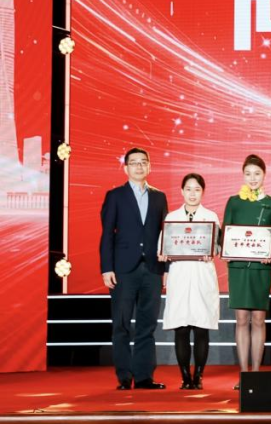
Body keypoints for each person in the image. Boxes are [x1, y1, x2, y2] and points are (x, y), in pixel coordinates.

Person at [99, 147, 170, 390]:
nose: (139, 166)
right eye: (134, 162)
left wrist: (166, 268)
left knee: (147, 324)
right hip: (123, 270)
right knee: (121, 324)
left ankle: (143, 377)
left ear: (149, 166)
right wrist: (107, 268)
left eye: (143, 162)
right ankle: (124, 377)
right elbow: (107, 234)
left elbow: (165, 235)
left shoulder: (159, 197)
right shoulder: (115, 196)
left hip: (152, 268)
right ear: (126, 168)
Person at [221, 154, 271, 389]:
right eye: (248, 174)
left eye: (257, 173)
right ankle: (243, 373)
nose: (253, 178)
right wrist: (227, 248)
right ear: (243, 175)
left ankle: (256, 372)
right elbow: (226, 231)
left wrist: (269, 251)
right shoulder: (234, 202)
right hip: (238, 267)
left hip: (260, 267)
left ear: (264, 175)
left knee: (258, 319)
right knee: (241, 319)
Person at [160, 173, 220, 390]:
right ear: (181, 191)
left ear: (203, 192)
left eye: (197, 189)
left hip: (202, 273)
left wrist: (211, 251)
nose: (192, 194)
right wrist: (164, 255)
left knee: (202, 327)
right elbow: (163, 247)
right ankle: (185, 377)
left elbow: (218, 247)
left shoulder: (211, 217)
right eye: (188, 189)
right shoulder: (171, 217)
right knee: (181, 328)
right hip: (179, 273)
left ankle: (199, 376)